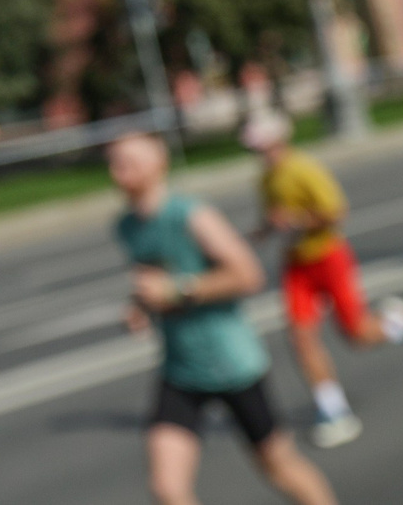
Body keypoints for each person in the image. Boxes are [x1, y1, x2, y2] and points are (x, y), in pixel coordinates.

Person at [108, 132, 341, 505]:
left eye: (129, 163)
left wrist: (177, 291)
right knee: (167, 489)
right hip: (180, 370)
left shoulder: (191, 215)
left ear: (159, 165)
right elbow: (154, 278)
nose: (119, 172)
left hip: (233, 364)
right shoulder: (127, 227)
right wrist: (140, 307)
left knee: (279, 467)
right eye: (114, 163)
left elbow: (248, 274)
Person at [239, 108, 403, 448]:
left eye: (262, 145)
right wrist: (258, 234)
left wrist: (298, 221)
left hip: (330, 258)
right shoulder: (265, 179)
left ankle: (398, 323)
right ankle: (334, 411)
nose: (258, 153)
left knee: (356, 334)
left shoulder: (304, 169)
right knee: (300, 338)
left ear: (279, 140)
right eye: (254, 148)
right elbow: (274, 219)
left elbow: (336, 213)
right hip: (297, 266)